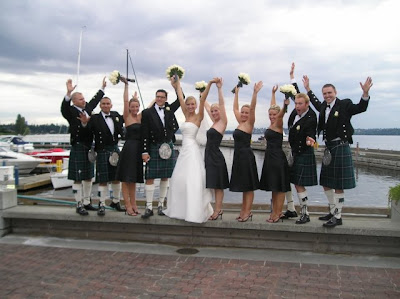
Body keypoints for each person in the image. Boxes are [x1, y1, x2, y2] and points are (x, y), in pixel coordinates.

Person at [303, 75, 373, 227]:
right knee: (326, 182)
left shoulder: (344, 104)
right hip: (329, 147)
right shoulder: (323, 106)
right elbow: (314, 102)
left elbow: (360, 107)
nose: (327, 96)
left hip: (341, 146)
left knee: (338, 184)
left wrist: (365, 94)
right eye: (325, 93)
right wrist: (308, 89)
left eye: (330, 93)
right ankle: (333, 210)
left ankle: (338, 216)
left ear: (335, 92)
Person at [163, 77, 213, 223]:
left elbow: (203, 100)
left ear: (196, 105)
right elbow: (180, 96)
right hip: (184, 151)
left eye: (193, 104)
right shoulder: (186, 114)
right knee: (179, 179)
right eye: (188, 104)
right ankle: (180, 209)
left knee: (193, 180)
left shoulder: (198, 117)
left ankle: (194, 211)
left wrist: (208, 84)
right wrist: (177, 84)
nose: (190, 106)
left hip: (192, 151)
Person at [61, 77, 106, 215]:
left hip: (89, 146)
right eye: (81, 99)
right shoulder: (70, 111)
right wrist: (68, 93)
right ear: (74, 101)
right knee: (78, 178)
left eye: (83, 98)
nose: (84, 100)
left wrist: (102, 88)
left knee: (88, 176)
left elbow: (94, 100)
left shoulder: (87, 108)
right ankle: (78, 204)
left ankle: (87, 202)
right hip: (79, 146)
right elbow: (63, 107)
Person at [282, 63, 318, 224]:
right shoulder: (297, 112)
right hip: (293, 152)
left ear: (307, 104)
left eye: (300, 104)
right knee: (286, 180)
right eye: (296, 104)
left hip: (303, 152)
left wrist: (312, 141)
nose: (296, 106)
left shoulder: (311, 117)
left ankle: (305, 213)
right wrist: (292, 76)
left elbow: (311, 133)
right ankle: (291, 209)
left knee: (298, 184)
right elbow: (296, 91)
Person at [140, 82, 182, 219]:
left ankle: (160, 205)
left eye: (162, 97)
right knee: (150, 177)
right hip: (154, 146)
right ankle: (148, 207)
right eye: (157, 97)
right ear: (155, 98)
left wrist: (176, 86)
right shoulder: (147, 113)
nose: (159, 99)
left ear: (166, 98)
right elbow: (144, 133)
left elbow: (182, 99)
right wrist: (144, 151)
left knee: (165, 176)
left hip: (167, 146)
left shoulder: (170, 110)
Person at [229, 82, 262, 222]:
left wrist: (255, 93)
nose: (243, 114)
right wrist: (236, 93)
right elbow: (234, 108)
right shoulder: (240, 122)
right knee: (243, 186)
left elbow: (253, 108)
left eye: (246, 112)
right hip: (238, 158)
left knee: (248, 187)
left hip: (246, 157)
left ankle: (247, 212)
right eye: (242, 112)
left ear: (249, 115)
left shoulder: (249, 123)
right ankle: (243, 210)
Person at [259, 85, 291, 223]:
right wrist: (273, 93)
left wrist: (284, 105)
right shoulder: (271, 124)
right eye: (270, 114)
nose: (272, 116)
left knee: (280, 187)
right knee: (273, 186)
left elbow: (281, 112)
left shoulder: (279, 122)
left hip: (278, 157)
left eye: (274, 114)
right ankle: (274, 212)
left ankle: (278, 213)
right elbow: (274, 107)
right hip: (269, 158)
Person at [89, 96, 124, 216]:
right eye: (103, 103)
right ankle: (102, 204)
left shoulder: (115, 115)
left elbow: (126, 117)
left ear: (111, 105)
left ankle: (116, 201)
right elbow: (88, 132)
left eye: (108, 103)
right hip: (102, 150)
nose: (105, 105)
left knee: (116, 178)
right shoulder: (95, 118)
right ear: (100, 105)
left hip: (114, 149)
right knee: (103, 180)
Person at [115, 77, 144, 216]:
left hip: (138, 149)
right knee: (126, 179)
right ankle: (127, 206)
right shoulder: (127, 117)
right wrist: (126, 86)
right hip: (129, 149)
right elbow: (125, 101)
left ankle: (134, 204)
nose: (134, 108)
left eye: (136, 106)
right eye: (132, 107)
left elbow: (151, 106)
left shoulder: (141, 116)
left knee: (133, 179)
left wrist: (136, 98)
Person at [204, 78, 229, 220]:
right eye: (212, 111)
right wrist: (203, 90)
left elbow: (222, 103)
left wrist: (219, 88)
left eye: (216, 111)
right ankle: (216, 209)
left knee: (218, 186)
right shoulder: (214, 123)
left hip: (216, 157)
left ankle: (218, 210)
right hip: (208, 156)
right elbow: (206, 104)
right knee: (213, 185)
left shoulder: (222, 122)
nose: (213, 113)